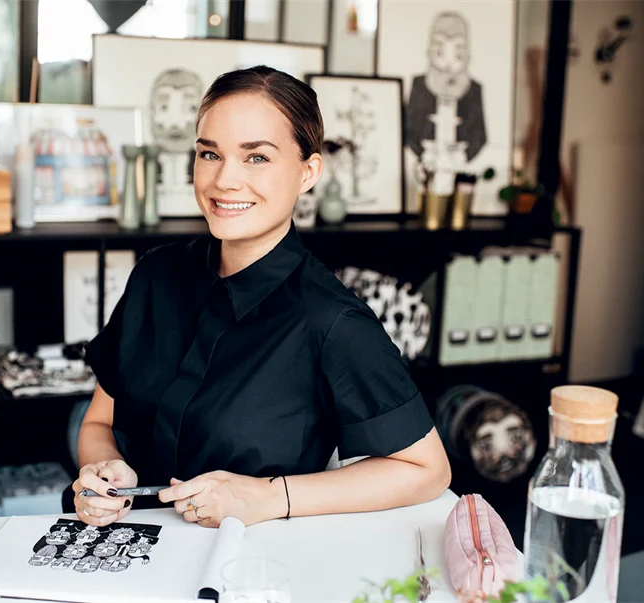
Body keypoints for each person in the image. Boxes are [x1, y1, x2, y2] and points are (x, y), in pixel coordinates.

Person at [70, 65, 451, 529]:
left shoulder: (333, 322)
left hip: (247, 572)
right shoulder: (155, 274)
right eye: (210, 154)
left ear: (308, 172)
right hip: (124, 550)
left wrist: (267, 498)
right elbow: (97, 424)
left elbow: (427, 470)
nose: (224, 180)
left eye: (256, 158)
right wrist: (103, 471)